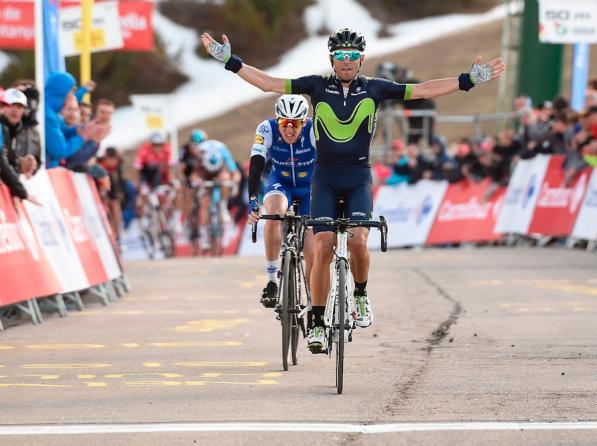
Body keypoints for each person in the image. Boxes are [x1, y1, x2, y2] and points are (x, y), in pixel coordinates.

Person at [201, 27, 505, 351]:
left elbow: (423, 91)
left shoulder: (376, 89)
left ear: (361, 59)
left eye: (352, 56)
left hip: (359, 175)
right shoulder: (315, 86)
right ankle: (317, 322)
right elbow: (269, 84)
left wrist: (467, 80)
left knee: (359, 241)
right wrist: (231, 61)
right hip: (325, 177)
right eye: (340, 56)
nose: (346, 62)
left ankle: (360, 295)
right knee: (323, 247)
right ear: (331, 59)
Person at [246, 94, 317, 308]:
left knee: (311, 249)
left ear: (304, 122)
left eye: (295, 124)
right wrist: (252, 200)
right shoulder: (266, 128)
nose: (289, 129)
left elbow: (330, 164)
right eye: (284, 123)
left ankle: (315, 303)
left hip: (310, 186)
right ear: (278, 120)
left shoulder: (315, 130)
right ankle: (271, 281)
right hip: (281, 183)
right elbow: (256, 163)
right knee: (274, 213)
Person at [184, 129, 241, 251]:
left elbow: (234, 172)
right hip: (204, 174)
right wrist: (196, 181)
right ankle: (204, 236)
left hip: (218, 173)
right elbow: (194, 174)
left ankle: (223, 206)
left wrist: (235, 180)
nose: (194, 149)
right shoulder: (199, 153)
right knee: (204, 203)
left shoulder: (221, 149)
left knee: (225, 177)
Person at [0, 88, 39, 178]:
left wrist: (28, 164)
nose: (15, 110)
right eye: (11, 105)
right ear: (2, 107)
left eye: (19, 106)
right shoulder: (2, 129)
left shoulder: (26, 131)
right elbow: (5, 163)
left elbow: (11, 160)